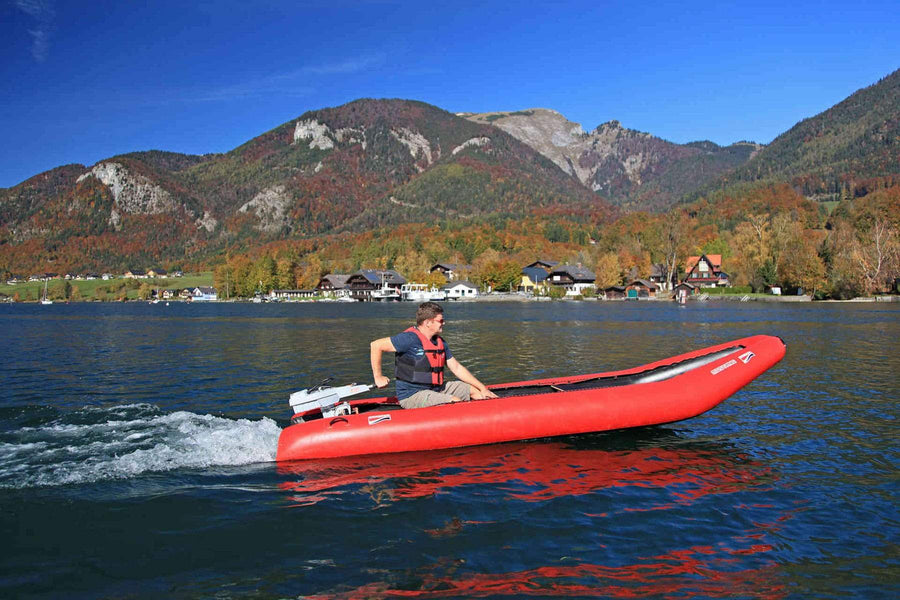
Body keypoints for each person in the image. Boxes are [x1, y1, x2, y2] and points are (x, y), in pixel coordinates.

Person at [370, 302, 498, 408]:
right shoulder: (409, 339)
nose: (444, 323)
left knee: (475, 391)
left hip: (436, 389)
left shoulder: (440, 342)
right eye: (440, 320)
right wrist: (378, 376)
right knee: (454, 401)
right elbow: (376, 345)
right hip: (412, 395)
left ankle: (492, 417)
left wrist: (483, 388)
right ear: (428, 323)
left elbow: (457, 368)